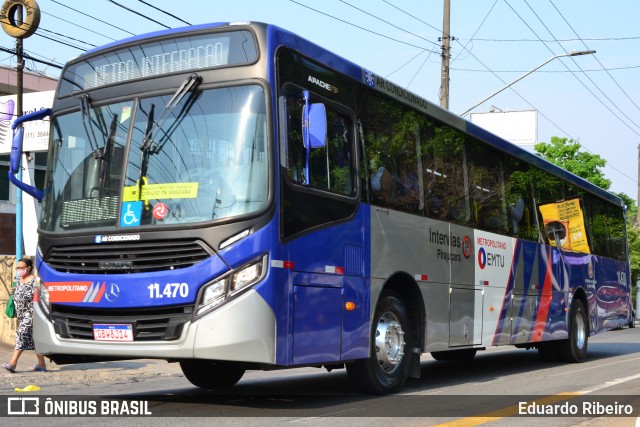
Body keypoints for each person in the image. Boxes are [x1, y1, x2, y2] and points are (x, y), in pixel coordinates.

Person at [2, 258, 47, 373]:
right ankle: (41, 364)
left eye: (22, 268)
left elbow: (39, 297)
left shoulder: (35, 281)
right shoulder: (18, 280)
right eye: (18, 268)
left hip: (32, 314)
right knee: (35, 340)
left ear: (29, 268)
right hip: (21, 315)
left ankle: (13, 363)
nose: (19, 270)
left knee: (21, 335)